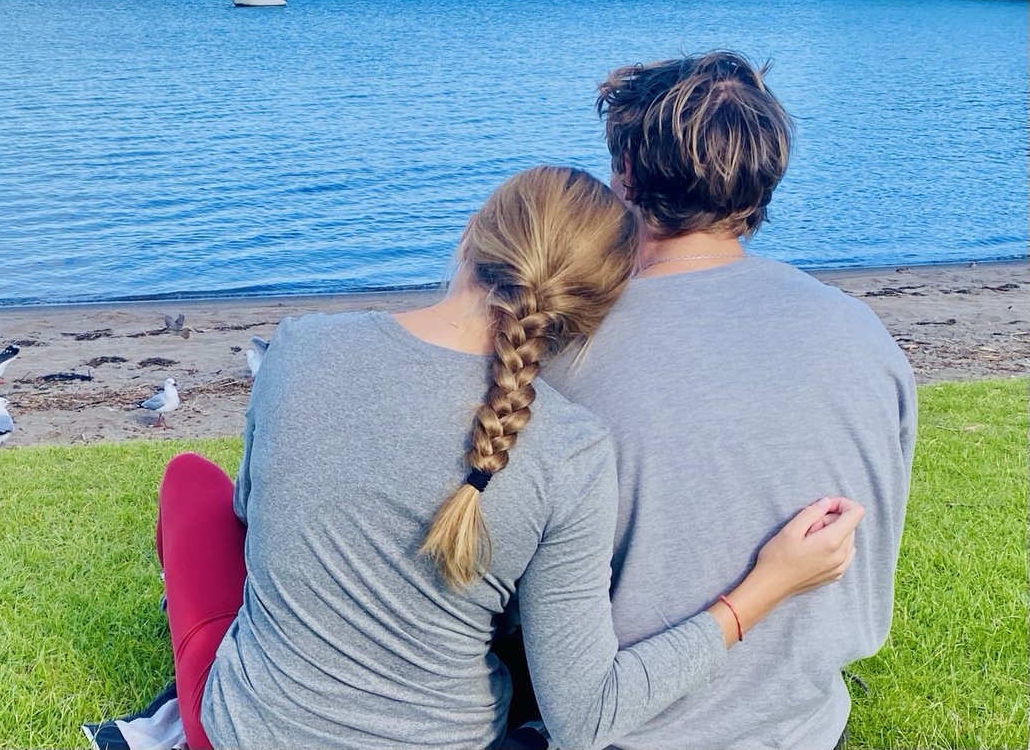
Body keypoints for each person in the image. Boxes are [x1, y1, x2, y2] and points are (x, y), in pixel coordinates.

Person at [154, 165, 864, 750]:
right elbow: (584, 718)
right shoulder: (567, 449)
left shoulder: (300, 346)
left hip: (246, 731)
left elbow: (253, 513)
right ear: (592, 310)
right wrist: (764, 587)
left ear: (472, 231)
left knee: (190, 481)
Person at [542, 52, 916, 749]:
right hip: (805, 725)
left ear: (625, 173)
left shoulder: (564, 355)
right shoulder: (862, 334)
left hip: (625, 727)